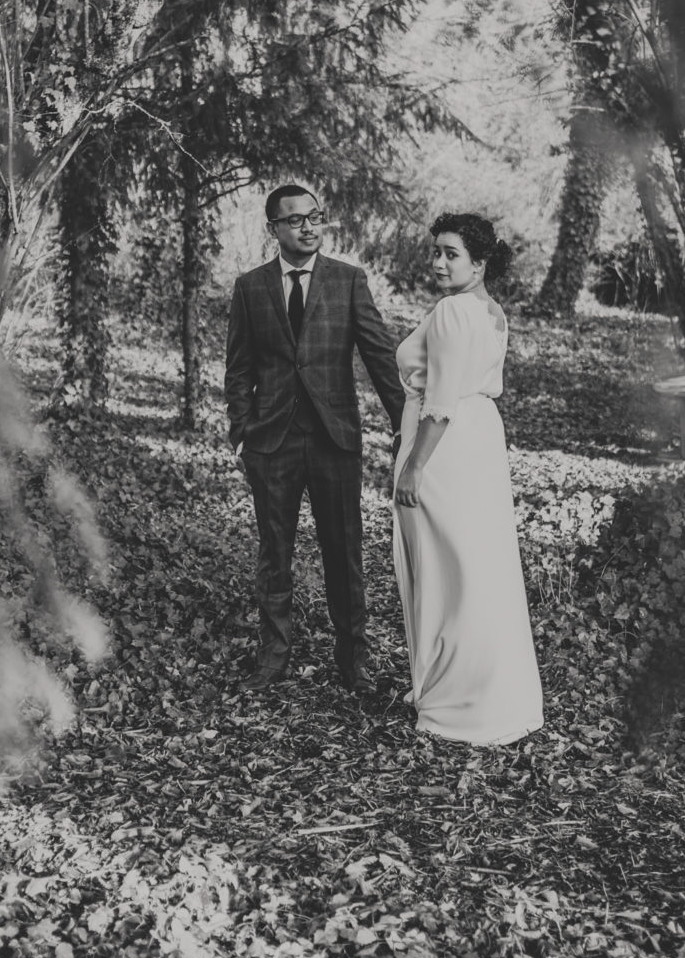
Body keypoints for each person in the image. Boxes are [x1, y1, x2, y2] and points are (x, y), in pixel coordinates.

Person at [226, 183, 405, 693]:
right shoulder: (251, 287)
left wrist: (402, 424)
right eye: (296, 220)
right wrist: (241, 434)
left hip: (335, 439)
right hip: (271, 442)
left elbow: (379, 357)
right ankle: (273, 657)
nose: (308, 226)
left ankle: (354, 661)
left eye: (315, 217)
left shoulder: (349, 281)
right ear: (274, 229)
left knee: (343, 551)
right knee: (274, 553)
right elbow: (238, 368)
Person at [392, 212, 543, 744]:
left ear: (479, 264)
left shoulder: (455, 311)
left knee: (445, 570)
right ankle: (481, 688)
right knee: (478, 567)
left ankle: (457, 696)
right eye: (436, 251)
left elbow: (440, 403)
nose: (438, 262)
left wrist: (413, 467)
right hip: (478, 438)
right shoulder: (491, 311)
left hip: (446, 449)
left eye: (451, 253)